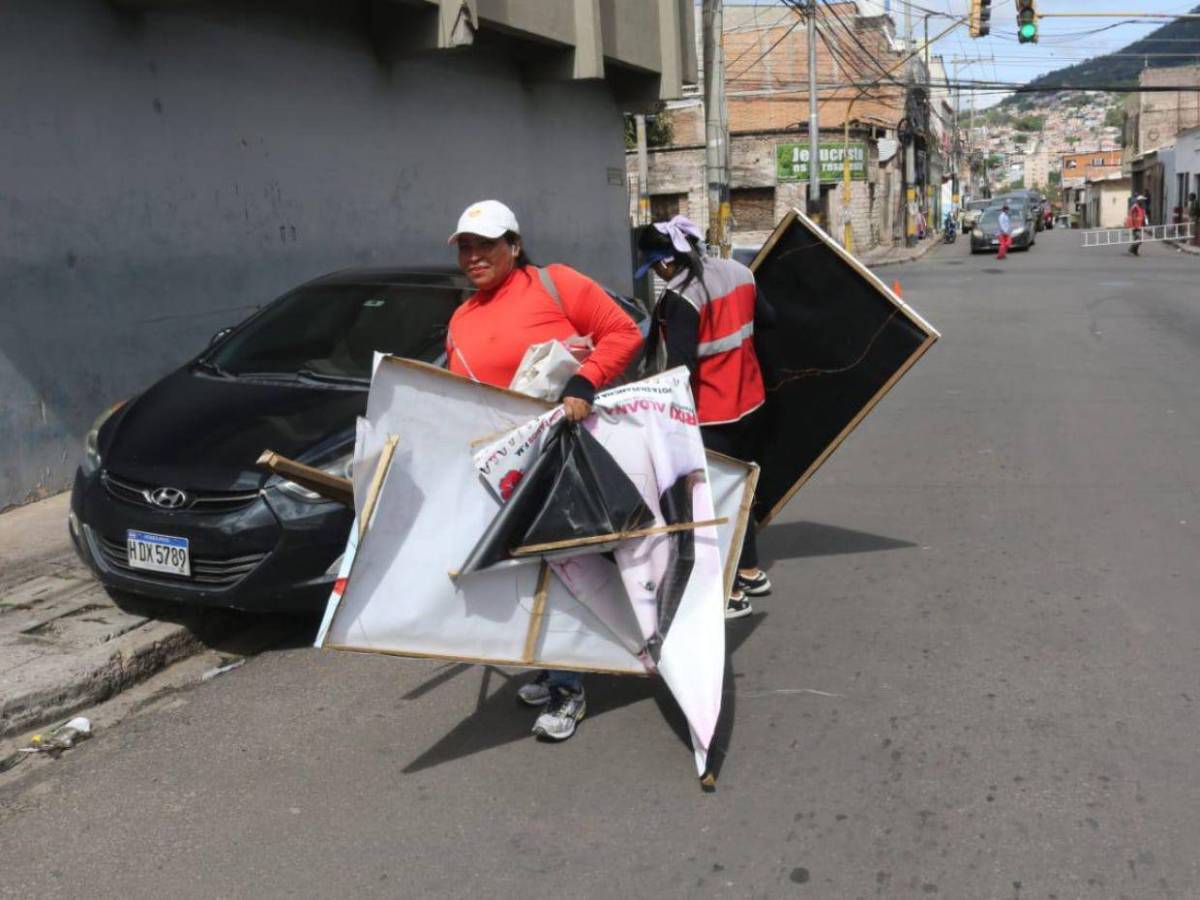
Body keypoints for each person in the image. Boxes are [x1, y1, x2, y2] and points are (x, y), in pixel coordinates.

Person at [446, 199, 643, 742]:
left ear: (514, 245)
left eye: (486, 244)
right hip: (502, 470)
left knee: (566, 568)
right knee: (526, 574)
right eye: (465, 246)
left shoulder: (556, 284)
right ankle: (556, 664)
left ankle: (568, 687)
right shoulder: (463, 316)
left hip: (559, 462)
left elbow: (624, 334)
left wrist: (584, 384)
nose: (474, 256)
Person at [634, 216, 772, 620]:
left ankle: (728, 595)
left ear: (664, 262)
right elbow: (770, 320)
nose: (658, 274)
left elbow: (679, 371)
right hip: (753, 402)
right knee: (742, 490)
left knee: (709, 503)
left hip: (713, 415)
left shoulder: (682, 298)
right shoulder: (739, 272)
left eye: (656, 267)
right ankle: (750, 570)